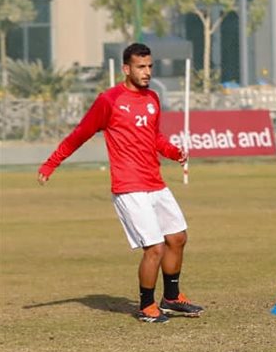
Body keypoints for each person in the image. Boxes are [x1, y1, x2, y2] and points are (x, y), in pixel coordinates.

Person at [38, 43, 202, 323]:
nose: (147, 72)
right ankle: (147, 307)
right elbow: (80, 134)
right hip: (129, 186)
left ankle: (172, 298)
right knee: (154, 247)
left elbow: (154, 137)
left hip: (155, 182)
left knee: (177, 237)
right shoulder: (109, 100)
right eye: (141, 67)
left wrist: (173, 152)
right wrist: (52, 163)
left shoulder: (152, 98)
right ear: (126, 69)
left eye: (150, 66)